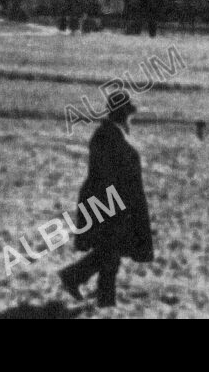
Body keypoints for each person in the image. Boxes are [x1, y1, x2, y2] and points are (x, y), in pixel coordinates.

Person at [59, 91, 154, 308]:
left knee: (109, 251)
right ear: (121, 113)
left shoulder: (111, 133)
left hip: (109, 201)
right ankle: (102, 299)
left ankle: (77, 279)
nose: (130, 116)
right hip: (106, 202)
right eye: (127, 112)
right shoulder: (108, 136)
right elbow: (108, 174)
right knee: (110, 252)